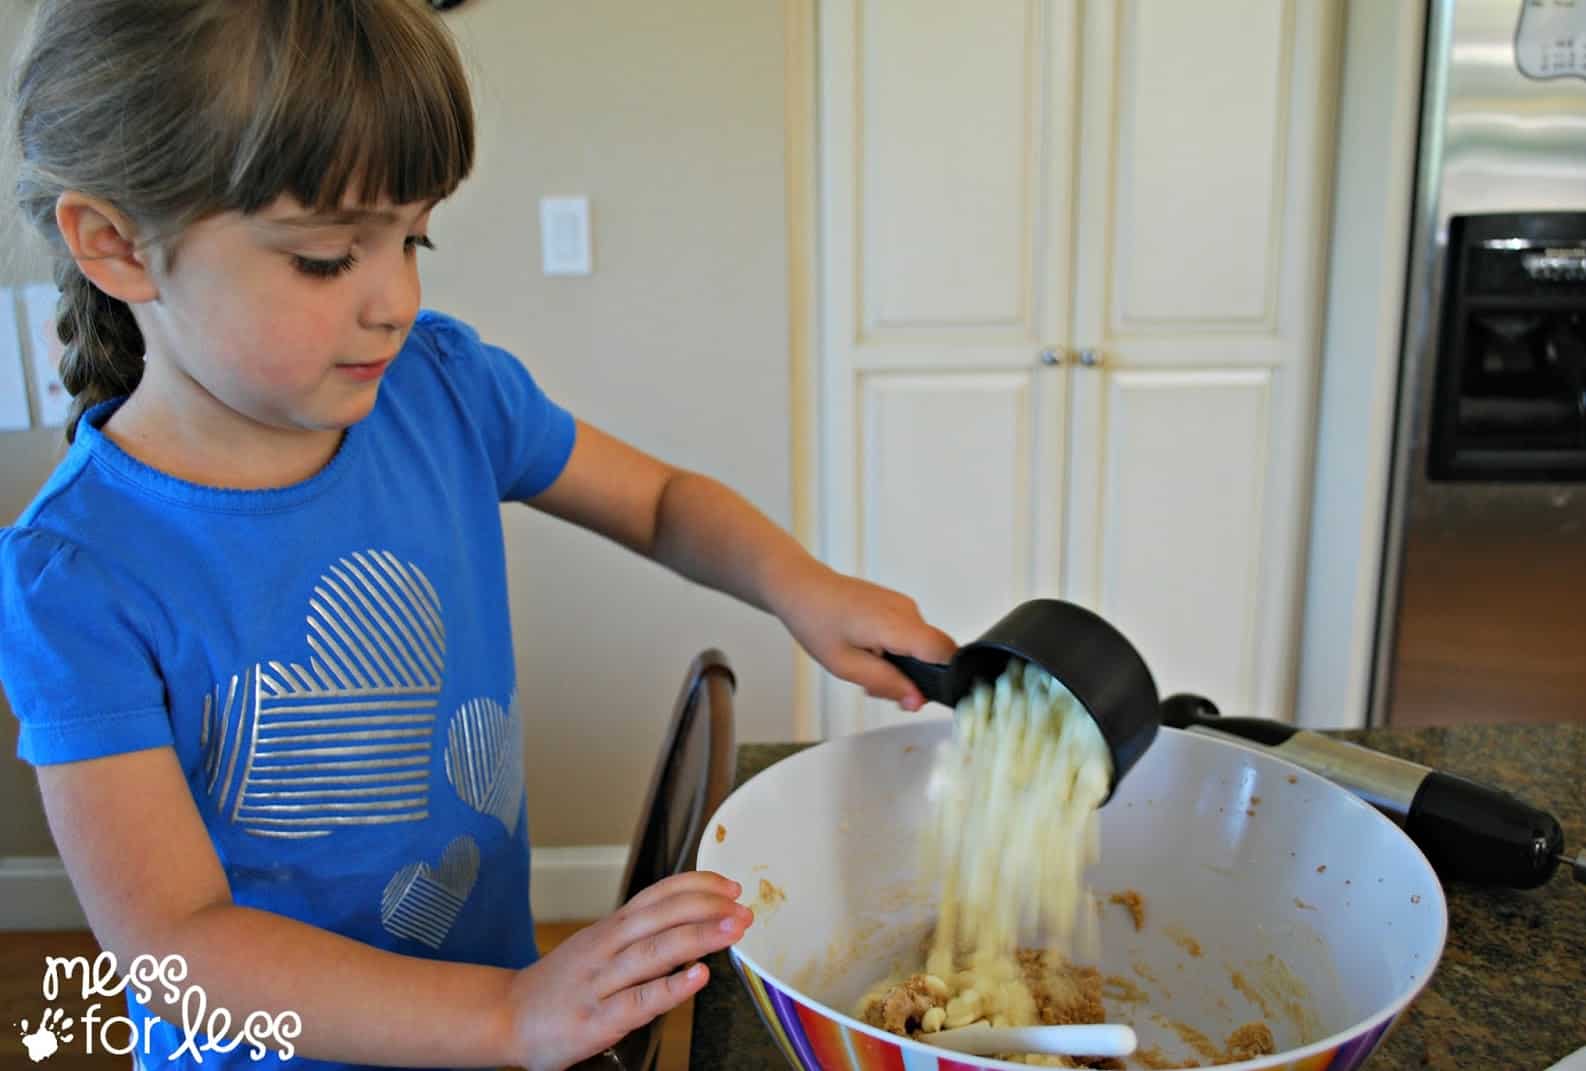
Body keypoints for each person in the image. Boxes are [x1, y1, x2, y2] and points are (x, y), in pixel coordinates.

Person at [0, 3, 956, 1069]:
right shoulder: (77, 580)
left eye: (412, 239)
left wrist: (799, 587)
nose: (396, 299)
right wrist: (508, 1017)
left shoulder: (442, 392)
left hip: (492, 1023)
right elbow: (177, 948)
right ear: (118, 245)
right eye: (326, 258)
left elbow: (655, 502)